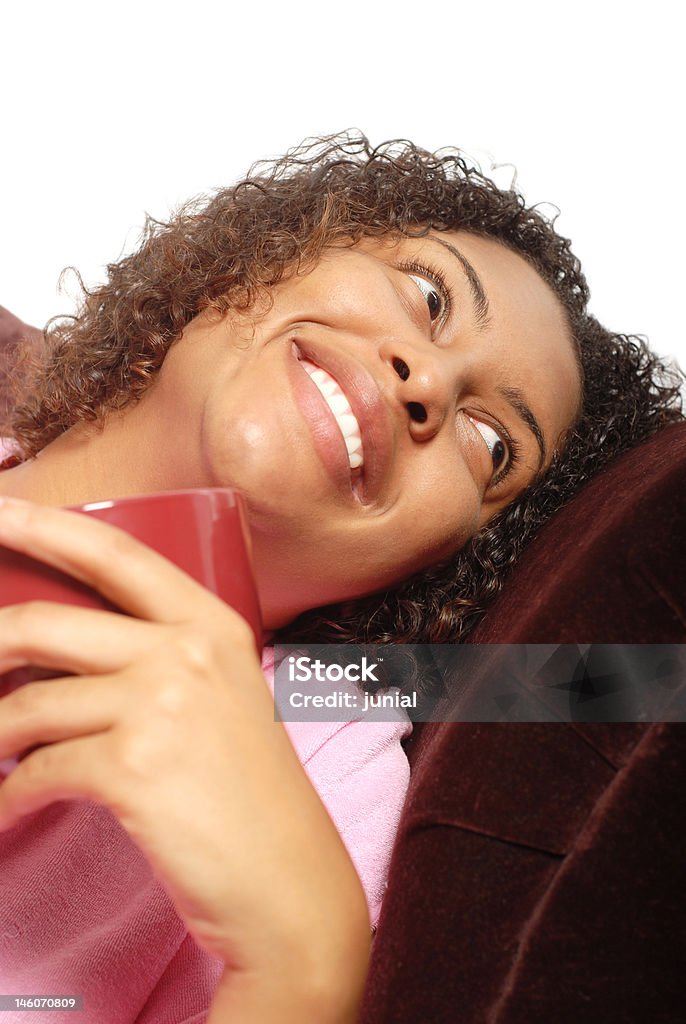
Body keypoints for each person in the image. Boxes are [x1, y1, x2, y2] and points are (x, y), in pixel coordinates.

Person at [0, 132, 682, 1022]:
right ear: (270, 255)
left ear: (442, 568)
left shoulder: (324, 770)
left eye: (489, 445)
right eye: (429, 295)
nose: (426, 376)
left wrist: (302, 963)